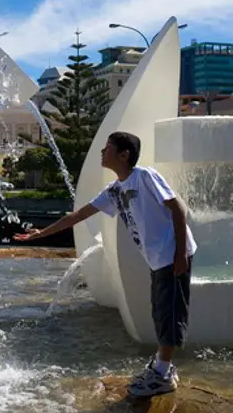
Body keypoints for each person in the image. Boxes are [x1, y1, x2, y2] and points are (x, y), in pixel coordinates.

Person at [14, 131, 197, 397]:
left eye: (108, 148)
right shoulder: (115, 190)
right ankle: (162, 367)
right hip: (159, 258)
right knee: (160, 311)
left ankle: (162, 374)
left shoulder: (144, 177)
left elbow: (178, 208)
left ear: (124, 155)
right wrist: (41, 234)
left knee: (170, 313)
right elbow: (79, 215)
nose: (102, 152)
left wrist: (180, 254)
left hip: (172, 254)